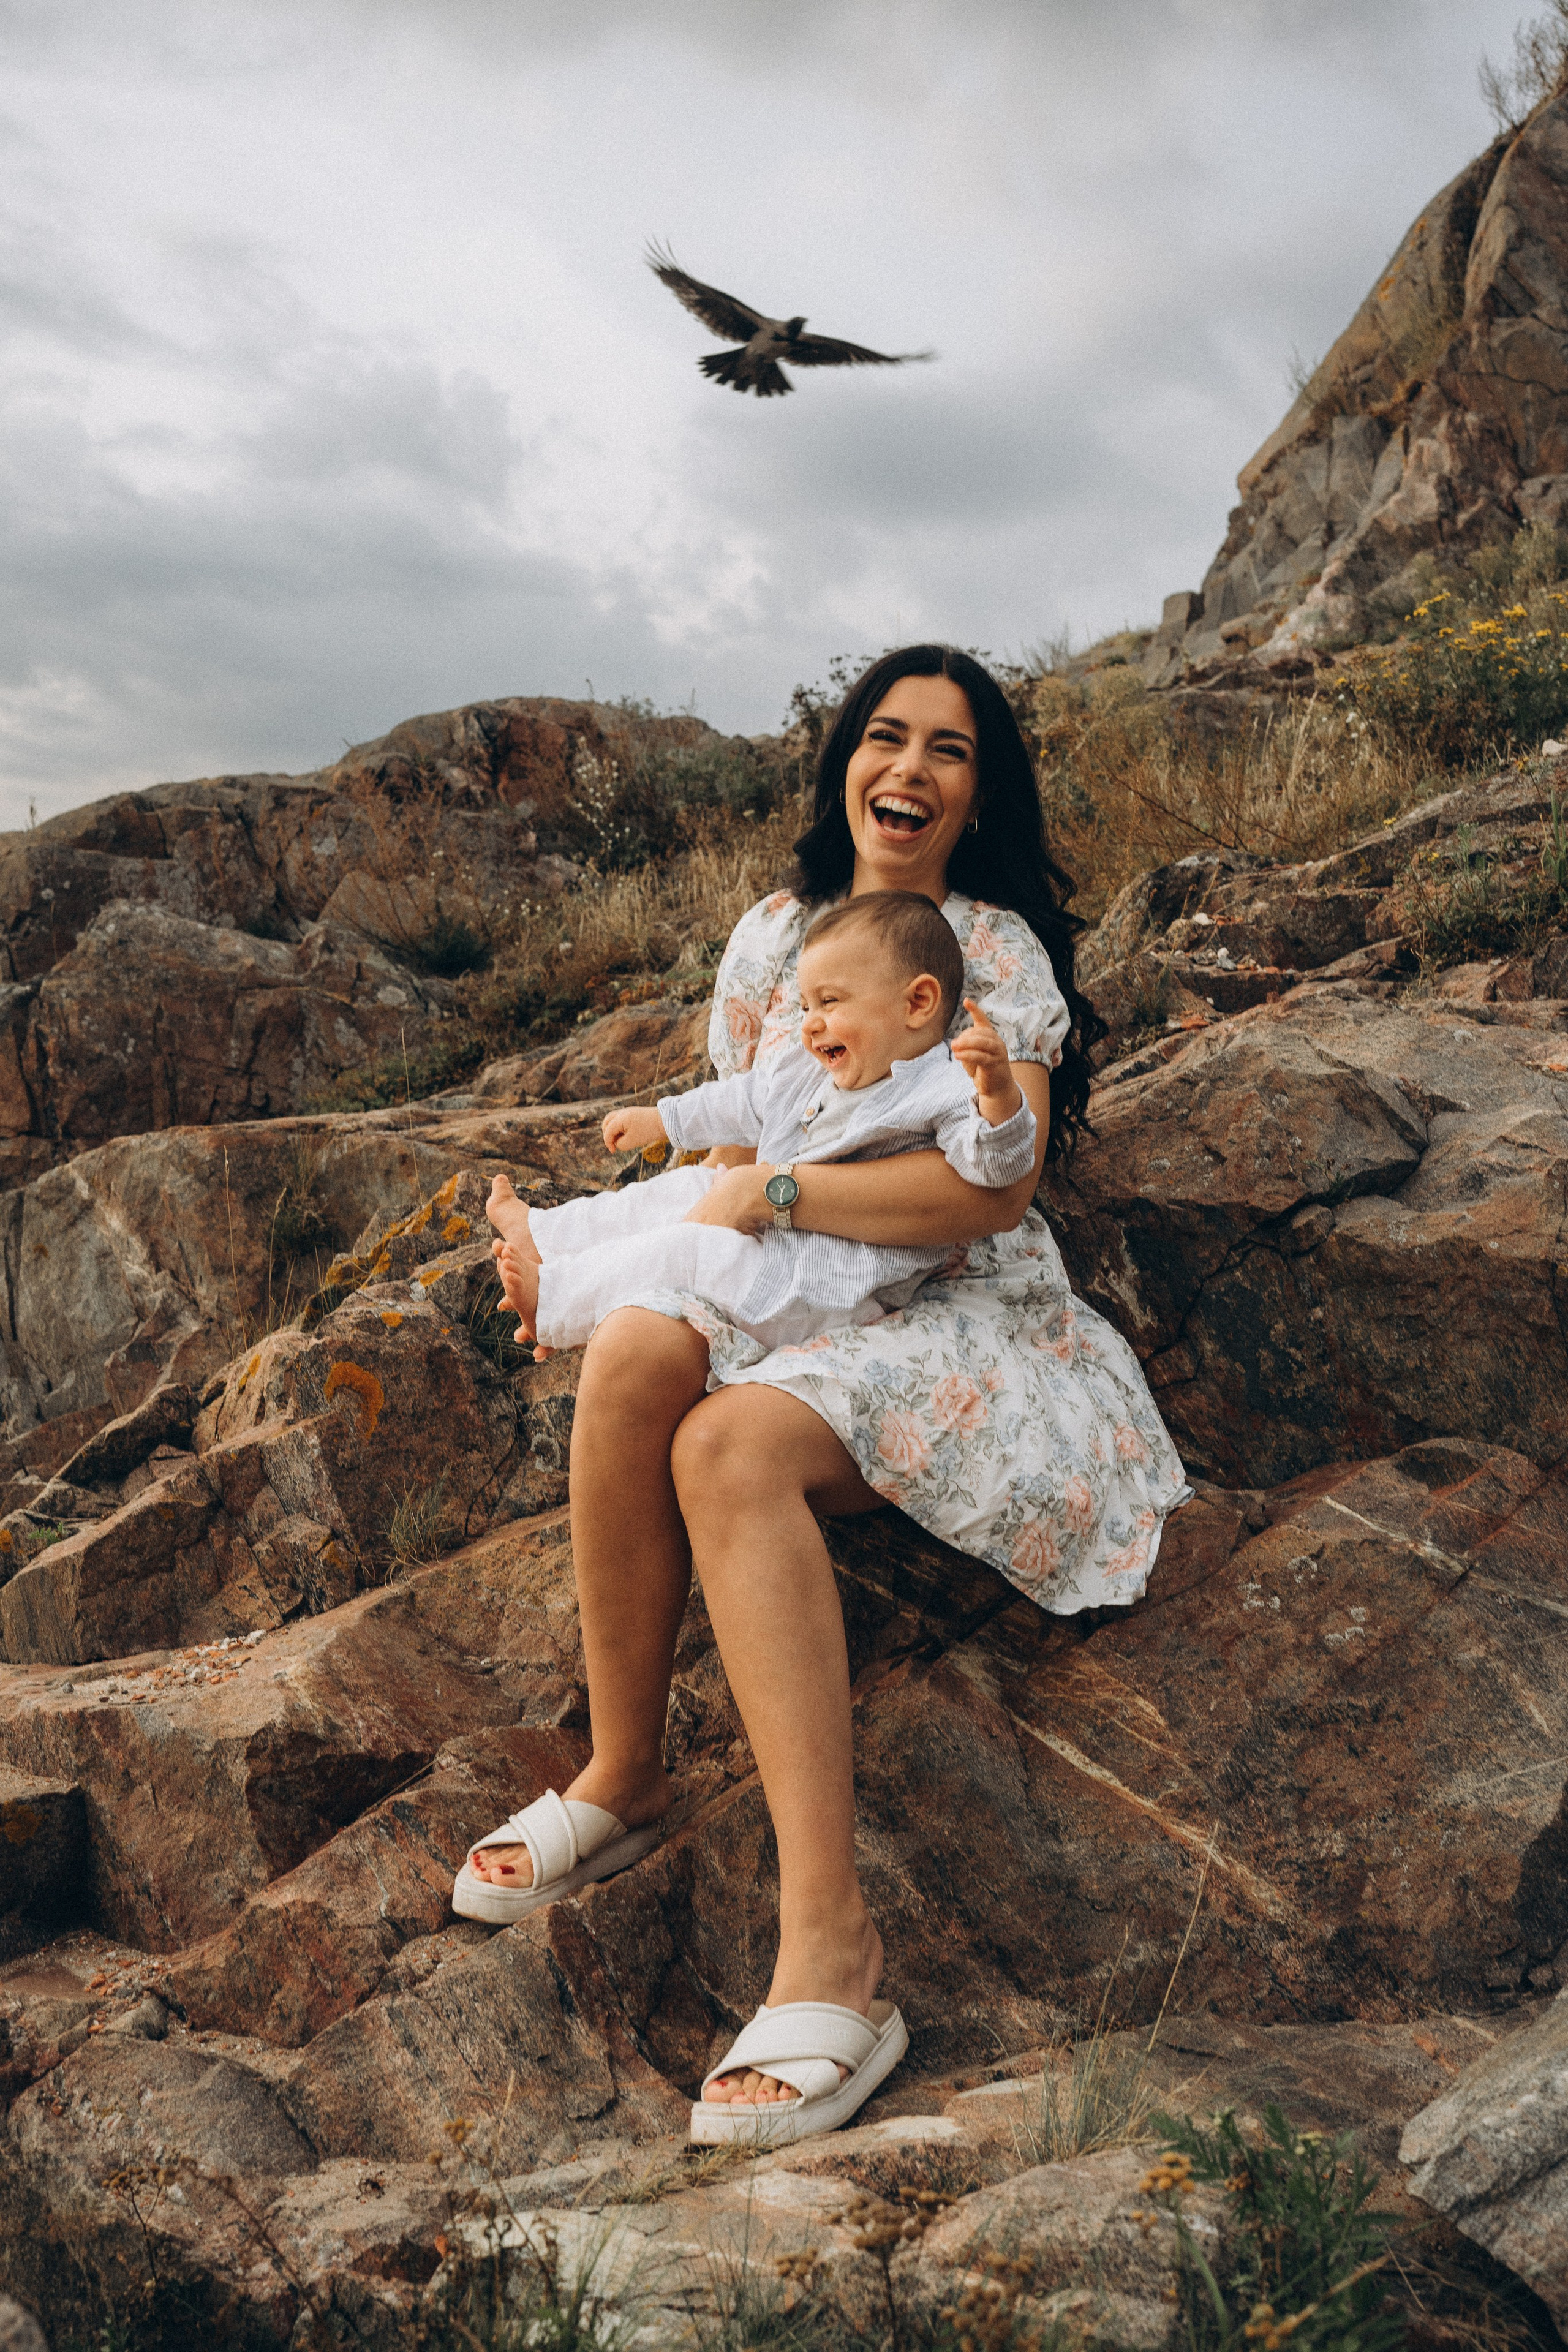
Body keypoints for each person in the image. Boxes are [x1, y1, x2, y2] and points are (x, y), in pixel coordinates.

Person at [456, 645, 1189, 2148]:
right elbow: (737, 1130)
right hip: (792, 1273)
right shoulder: (769, 941)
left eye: (948, 749)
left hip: (948, 1302)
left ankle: (832, 1954)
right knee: (638, 1349)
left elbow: (988, 1190)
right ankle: (622, 1770)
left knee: (724, 1444)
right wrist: (696, 1185)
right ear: (843, 759)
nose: (909, 770)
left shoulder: (987, 949)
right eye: (885, 736)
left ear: (979, 792)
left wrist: (776, 1189)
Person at [478, 891, 1037, 1363]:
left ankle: (554, 1301)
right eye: (805, 1005)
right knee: (698, 1185)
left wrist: (999, 1094)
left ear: (917, 1003)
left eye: (830, 1001)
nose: (811, 1024)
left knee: (689, 1252)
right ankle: (548, 1236)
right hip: (775, 1241)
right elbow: (741, 1101)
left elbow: (994, 1167)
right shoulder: (811, 1065)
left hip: (824, 1287)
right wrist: (663, 1120)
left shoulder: (943, 1085)